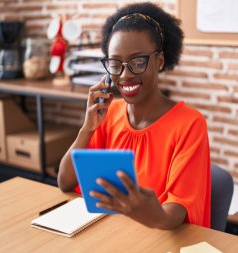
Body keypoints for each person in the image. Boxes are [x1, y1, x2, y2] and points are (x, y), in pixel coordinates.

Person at [58, 2, 211, 230]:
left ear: (159, 61)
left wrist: (151, 213)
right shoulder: (108, 115)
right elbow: (65, 182)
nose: (125, 74)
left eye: (138, 61)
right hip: (114, 235)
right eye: (115, 63)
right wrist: (87, 128)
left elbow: (175, 213)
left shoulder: (189, 124)